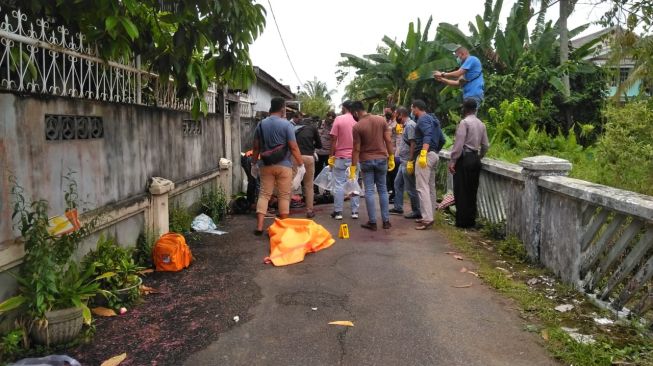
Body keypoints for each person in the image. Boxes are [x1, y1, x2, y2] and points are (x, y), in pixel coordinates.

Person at [251, 97, 304, 236]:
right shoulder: (287, 125)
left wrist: (253, 163)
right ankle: (284, 227)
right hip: (284, 166)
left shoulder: (261, 124)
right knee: (284, 196)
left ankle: (259, 226)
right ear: (282, 109)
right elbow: (293, 147)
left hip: (265, 165)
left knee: (264, 194)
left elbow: (256, 147)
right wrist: (301, 164)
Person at [350, 101, 395, 231]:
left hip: (366, 161)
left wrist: (353, 167)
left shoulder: (357, 126)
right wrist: (391, 156)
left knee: (369, 191)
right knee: (383, 190)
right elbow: (388, 140)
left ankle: (373, 222)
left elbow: (356, 149)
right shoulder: (381, 120)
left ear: (356, 112)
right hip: (382, 159)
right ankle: (386, 221)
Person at [449, 98, 490, 228]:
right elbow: (485, 145)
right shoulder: (481, 124)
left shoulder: (464, 123)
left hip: (464, 159)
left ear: (465, 109)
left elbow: (459, 144)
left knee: (461, 190)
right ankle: (471, 221)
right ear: (475, 109)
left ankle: (462, 222)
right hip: (475, 159)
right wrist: (479, 157)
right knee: (472, 190)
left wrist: (453, 161)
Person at [410, 99, 446, 230]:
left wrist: (424, 152)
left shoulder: (423, 119)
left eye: (412, 108)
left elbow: (427, 134)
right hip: (434, 155)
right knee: (430, 187)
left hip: (426, 156)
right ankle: (430, 215)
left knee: (422, 187)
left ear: (416, 108)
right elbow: (442, 139)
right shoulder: (434, 120)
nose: (411, 111)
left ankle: (427, 218)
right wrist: (435, 151)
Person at [329, 101, 360, 220]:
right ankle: (355, 212)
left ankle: (338, 212)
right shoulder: (357, 120)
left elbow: (333, 140)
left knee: (339, 185)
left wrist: (331, 156)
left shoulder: (339, 119)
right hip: (354, 157)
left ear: (344, 108)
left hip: (340, 157)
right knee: (354, 182)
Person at [388, 107, 421, 219]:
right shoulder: (406, 125)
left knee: (410, 187)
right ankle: (398, 207)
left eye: (396, 114)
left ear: (401, 114)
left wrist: (411, 160)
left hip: (407, 161)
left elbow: (413, 143)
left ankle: (417, 211)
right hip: (403, 161)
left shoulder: (410, 125)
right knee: (397, 183)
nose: (395, 116)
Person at [294, 115, 322, 218]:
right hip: (308, 157)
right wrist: (311, 145)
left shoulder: (294, 129)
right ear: (311, 122)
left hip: (295, 157)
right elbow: (319, 145)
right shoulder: (313, 128)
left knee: (290, 184)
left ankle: (284, 209)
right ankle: (309, 210)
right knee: (309, 185)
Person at [315, 111, 335, 183]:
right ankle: (315, 187)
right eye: (329, 118)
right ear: (326, 117)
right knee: (317, 170)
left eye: (332, 119)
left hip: (329, 153)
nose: (330, 120)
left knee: (329, 171)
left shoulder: (334, 126)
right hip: (318, 152)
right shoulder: (320, 123)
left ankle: (327, 190)